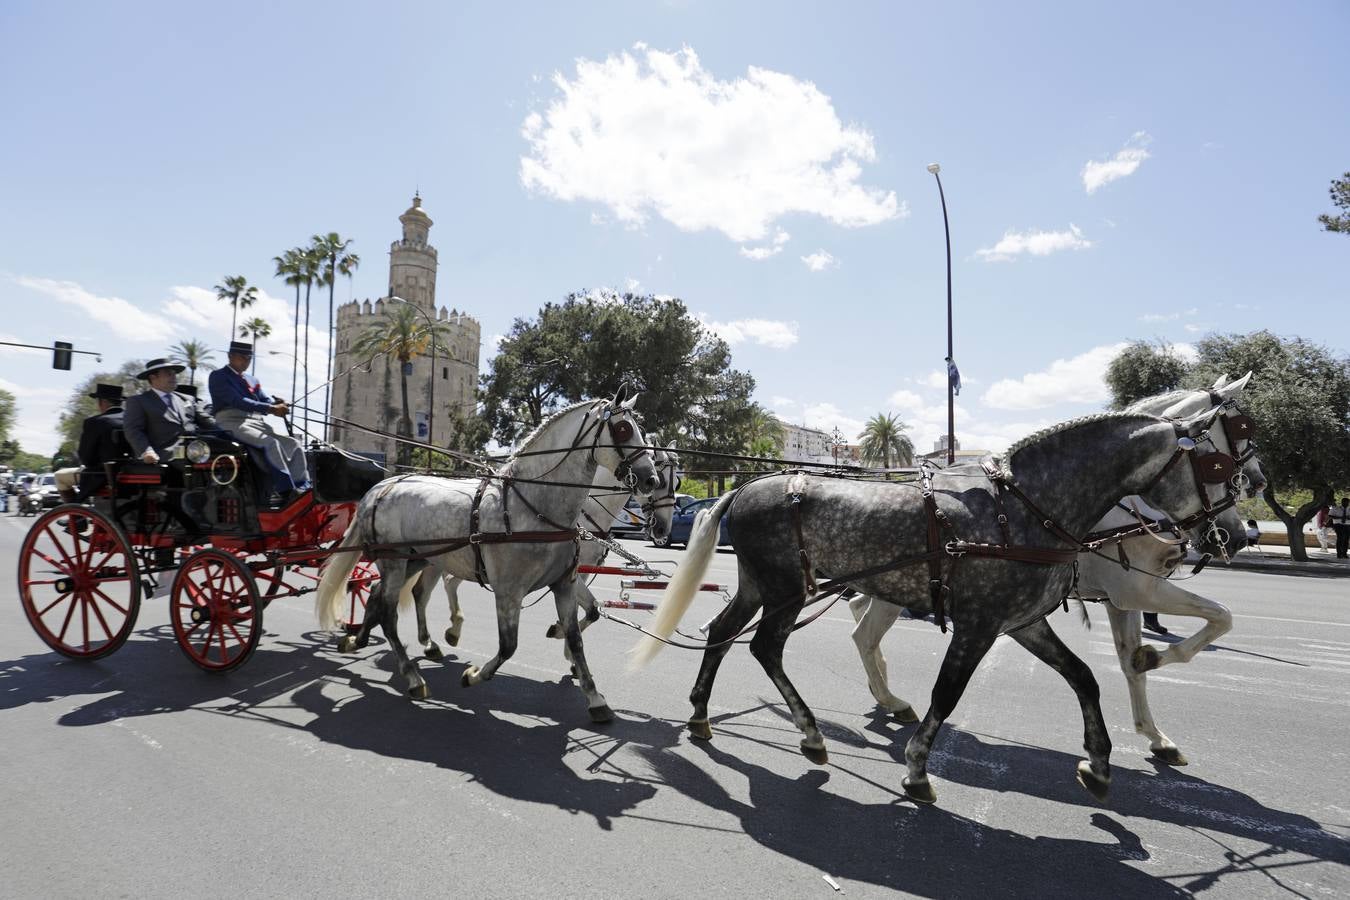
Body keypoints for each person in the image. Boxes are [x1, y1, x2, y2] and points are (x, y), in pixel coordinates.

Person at [208, 341, 310, 505]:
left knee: (294, 444)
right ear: (230, 356)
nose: (246, 361)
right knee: (270, 443)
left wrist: (277, 403)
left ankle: (302, 487)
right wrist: (271, 408)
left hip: (255, 421)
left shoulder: (252, 380)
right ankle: (285, 490)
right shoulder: (218, 376)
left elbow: (263, 399)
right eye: (242, 357)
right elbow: (237, 400)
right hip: (230, 421)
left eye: (249, 358)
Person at [123, 357, 216, 534]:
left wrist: (232, 431)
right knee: (192, 462)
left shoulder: (186, 399)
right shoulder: (139, 401)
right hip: (164, 453)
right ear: (153, 378)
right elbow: (133, 430)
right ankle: (189, 514)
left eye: (174, 373)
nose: (174, 377)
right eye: (168, 373)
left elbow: (209, 423)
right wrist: (146, 451)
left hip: (194, 450)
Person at [53, 383, 125, 502]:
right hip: (132, 472)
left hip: (102, 475)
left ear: (102, 402)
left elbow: (86, 458)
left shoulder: (95, 422)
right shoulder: (134, 420)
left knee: (60, 476)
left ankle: (76, 516)